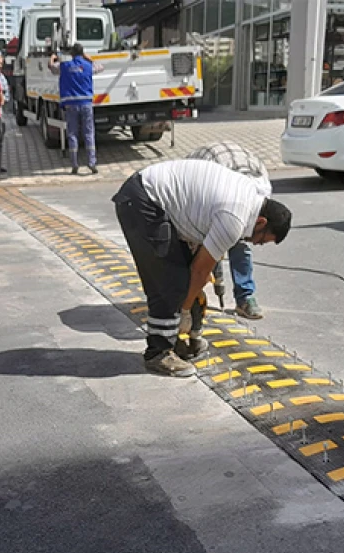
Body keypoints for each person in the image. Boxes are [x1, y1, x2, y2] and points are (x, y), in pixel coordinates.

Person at [112, 159, 292, 377]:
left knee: (184, 278)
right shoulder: (234, 219)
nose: (256, 244)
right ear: (261, 222)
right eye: (261, 240)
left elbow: (201, 266)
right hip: (144, 201)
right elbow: (199, 271)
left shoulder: (251, 196)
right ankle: (158, 353)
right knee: (170, 281)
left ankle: (179, 341)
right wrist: (185, 310)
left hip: (156, 201)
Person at [186, 141, 273, 320]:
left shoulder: (262, 190)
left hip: (236, 164)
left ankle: (245, 297)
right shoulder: (218, 185)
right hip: (203, 170)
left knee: (240, 242)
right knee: (201, 238)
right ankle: (190, 296)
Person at [49, 43, 102, 175]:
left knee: (72, 134)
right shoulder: (88, 66)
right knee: (89, 133)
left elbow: (51, 67)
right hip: (86, 103)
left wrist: (53, 57)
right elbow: (100, 67)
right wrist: (86, 57)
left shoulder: (65, 66)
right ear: (82, 53)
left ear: (72, 54)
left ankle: (74, 164)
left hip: (71, 104)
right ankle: (92, 162)